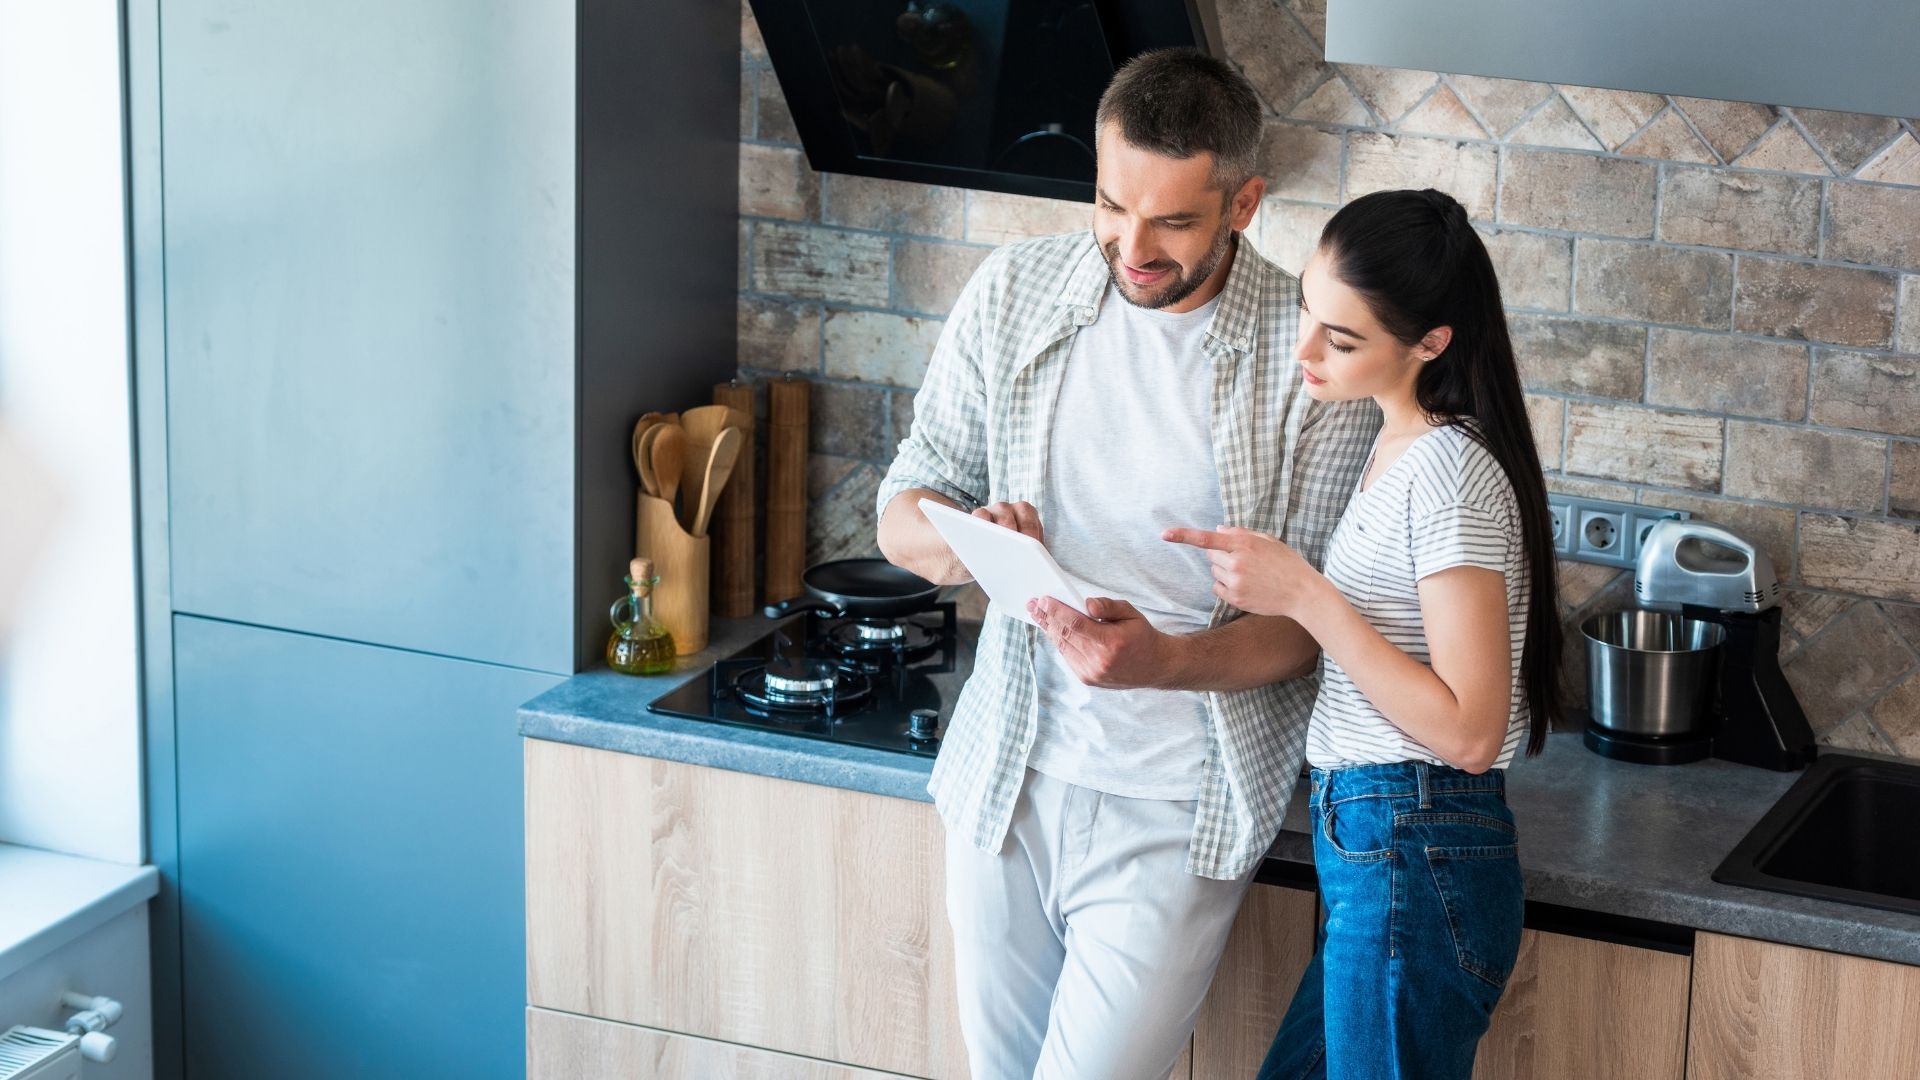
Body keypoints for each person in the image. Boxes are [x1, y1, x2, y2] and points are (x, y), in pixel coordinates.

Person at [874, 48, 1380, 1080]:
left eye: (1174, 222)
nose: (1130, 246)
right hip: (1005, 777)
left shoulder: (1313, 355)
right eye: (1110, 205)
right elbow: (900, 513)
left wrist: (1165, 664)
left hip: (1177, 802)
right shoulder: (1015, 290)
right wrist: (975, 537)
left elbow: (1313, 626)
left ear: (1244, 204)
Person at [1165, 187, 1564, 1080]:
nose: (1306, 349)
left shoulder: (1449, 474)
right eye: (1310, 309)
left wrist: (1307, 596)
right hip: (1384, 847)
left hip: (1413, 845)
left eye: (1342, 339)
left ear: (1431, 344)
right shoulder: (1394, 449)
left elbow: (1468, 729)